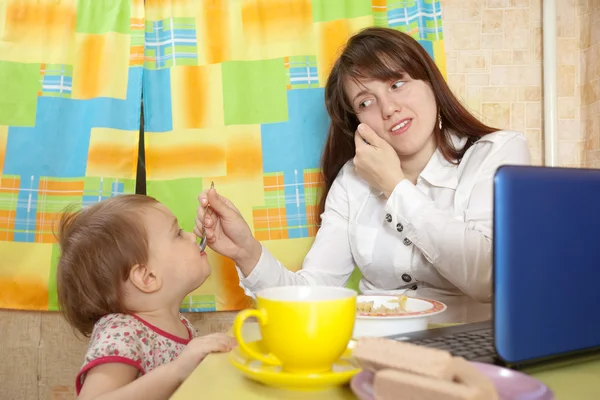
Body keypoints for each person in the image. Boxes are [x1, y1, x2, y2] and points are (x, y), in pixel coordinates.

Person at [194, 27, 530, 323]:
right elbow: (313, 294)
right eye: (366, 102)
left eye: (397, 83)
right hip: (376, 352)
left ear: (431, 82)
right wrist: (247, 252)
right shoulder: (351, 181)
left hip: (469, 352)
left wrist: (394, 187)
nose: (388, 108)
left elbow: (489, 279)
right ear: (357, 123)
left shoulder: (497, 153)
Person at [56, 195, 236, 400]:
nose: (191, 236)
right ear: (148, 277)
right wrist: (176, 371)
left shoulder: (181, 325)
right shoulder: (122, 332)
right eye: (177, 233)